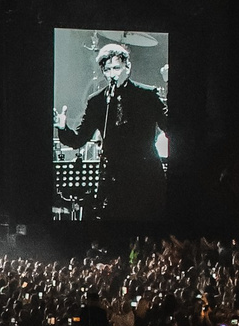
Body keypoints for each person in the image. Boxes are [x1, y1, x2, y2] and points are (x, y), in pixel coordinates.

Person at [55, 37, 168, 219]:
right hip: (115, 178)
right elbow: (78, 139)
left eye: (116, 68)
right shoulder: (97, 101)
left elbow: (170, 127)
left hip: (146, 174)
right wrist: (62, 127)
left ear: (128, 68)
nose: (112, 74)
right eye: (107, 70)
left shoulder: (147, 95)